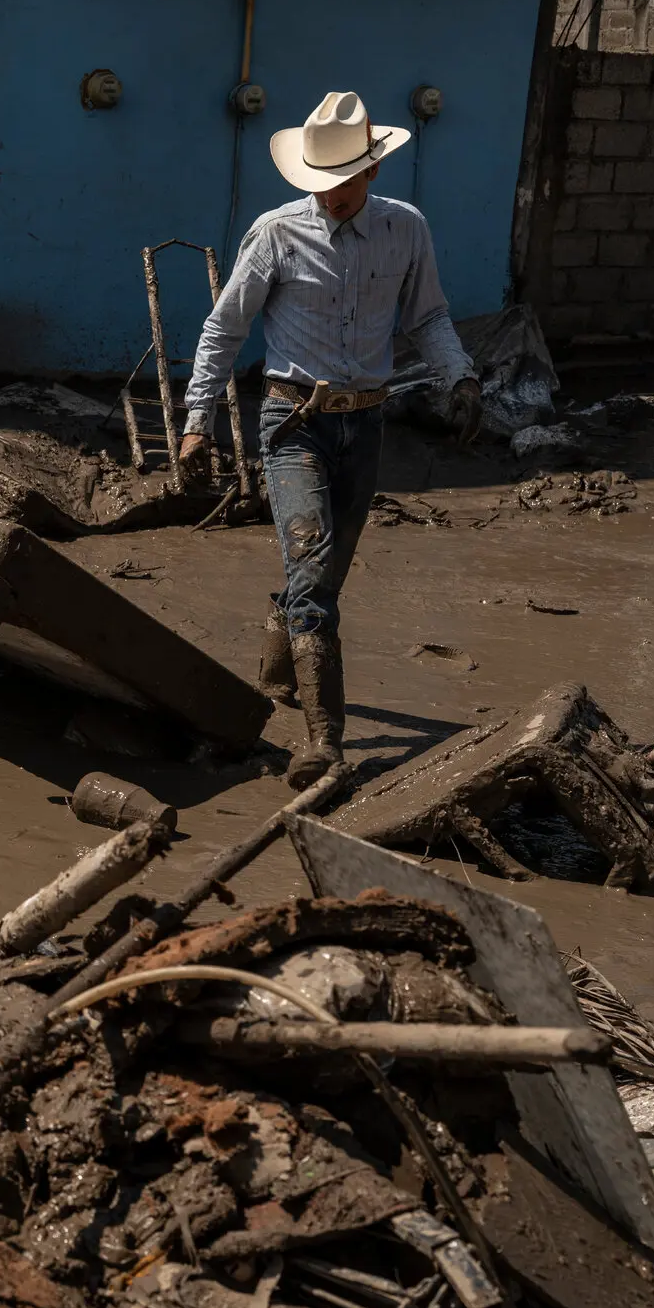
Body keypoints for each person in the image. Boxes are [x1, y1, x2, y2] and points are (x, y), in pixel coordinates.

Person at [178, 91, 482, 790]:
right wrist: (199, 422)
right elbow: (224, 330)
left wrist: (461, 380)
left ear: (372, 171)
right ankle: (325, 743)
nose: (331, 195)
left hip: (364, 423)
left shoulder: (406, 231)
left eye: (343, 181)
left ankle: (277, 666)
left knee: (322, 573)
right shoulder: (276, 234)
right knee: (314, 567)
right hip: (294, 425)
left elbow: (429, 316)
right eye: (320, 182)